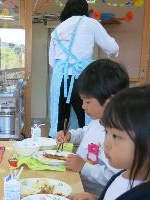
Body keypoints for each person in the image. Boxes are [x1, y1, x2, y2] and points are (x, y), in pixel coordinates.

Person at [56, 59, 129, 195]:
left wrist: (84, 167)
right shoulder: (97, 122)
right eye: (82, 100)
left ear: (110, 101)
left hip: (96, 198)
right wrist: (70, 135)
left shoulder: (118, 137)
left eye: (87, 101)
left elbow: (115, 177)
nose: (83, 106)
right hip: (78, 183)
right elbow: (84, 133)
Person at [49, 0, 119, 137]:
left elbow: (52, 61)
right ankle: (87, 151)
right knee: (87, 119)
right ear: (85, 10)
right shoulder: (90, 23)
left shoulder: (58, 29)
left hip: (60, 79)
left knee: (60, 123)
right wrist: (114, 52)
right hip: (83, 78)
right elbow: (111, 47)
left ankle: (57, 154)